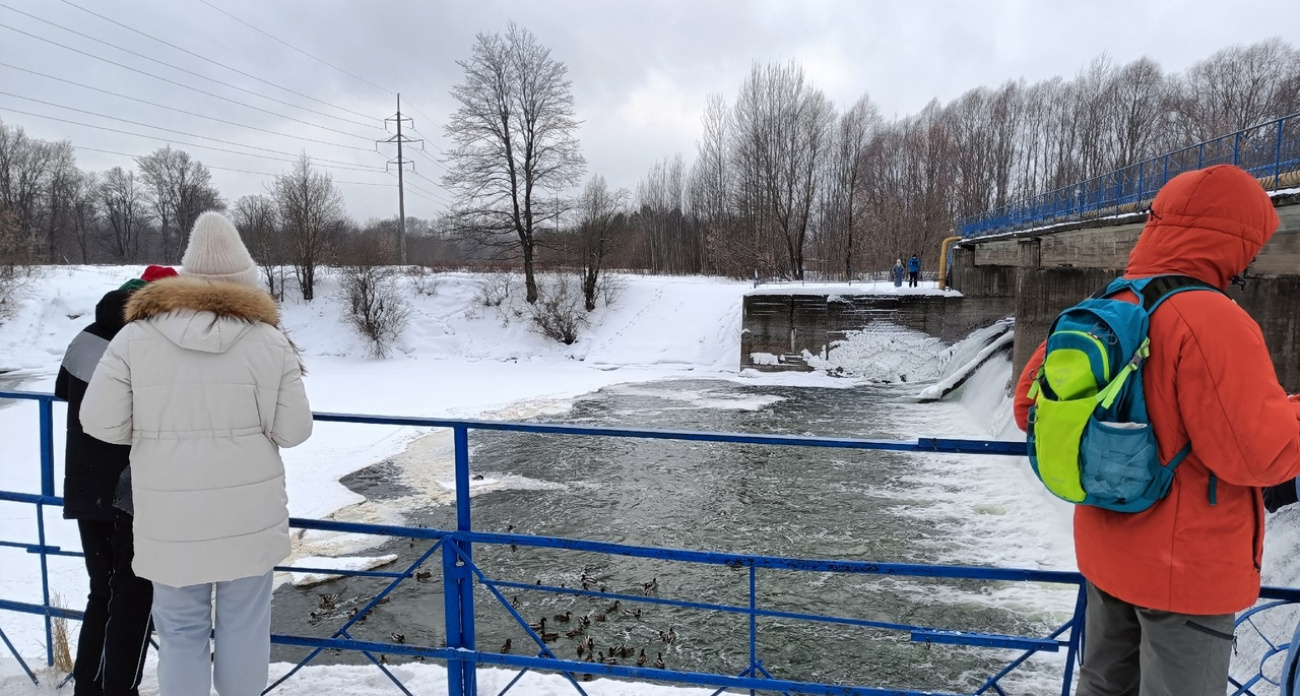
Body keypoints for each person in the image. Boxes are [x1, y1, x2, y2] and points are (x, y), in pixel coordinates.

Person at [1012, 164, 1300, 696]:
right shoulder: (1212, 318)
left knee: (1101, 684)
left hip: (1104, 548)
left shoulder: (1105, 303)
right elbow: (1258, 453)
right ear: (1235, 239)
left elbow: (1029, 406)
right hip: (1184, 568)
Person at [81, 212, 312, 696]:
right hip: (248, 518)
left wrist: (151, 430)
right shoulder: (268, 341)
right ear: (245, 283)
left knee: (180, 633)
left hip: (168, 517)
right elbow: (294, 431)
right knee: (244, 631)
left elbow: (98, 422)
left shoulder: (135, 337)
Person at [56, 265, 176, 696]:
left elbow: (61, 391)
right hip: (129, 488)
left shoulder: (86, 334)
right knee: (134, 595)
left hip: (85, 483)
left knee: (102, 594)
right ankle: (117, 690)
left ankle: (88, 687)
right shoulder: (144, 341)